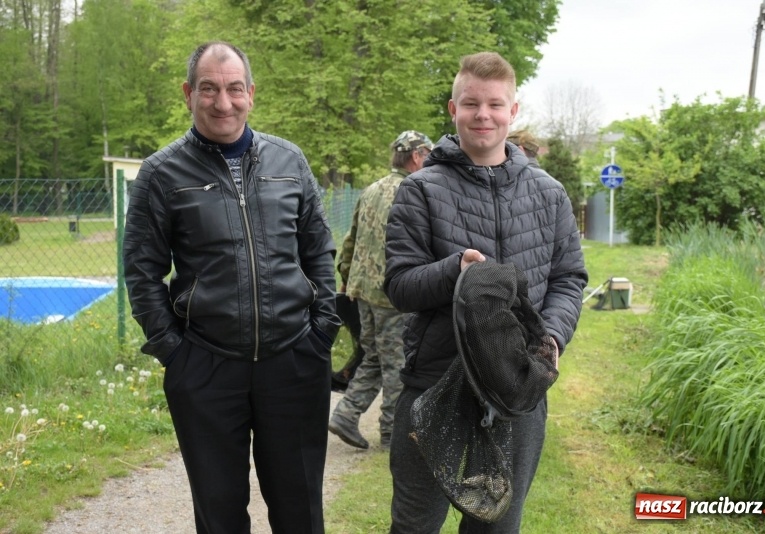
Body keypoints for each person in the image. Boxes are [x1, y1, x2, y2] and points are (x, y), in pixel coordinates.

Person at [123, 41, 340, 534]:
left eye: (234, 89)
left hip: (294, 363)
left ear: (251, 93)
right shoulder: (162, 173)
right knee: (219, 515)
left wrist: (322, 331)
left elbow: (318, 253)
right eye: (209, 89)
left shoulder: (290, 161)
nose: (224, 103)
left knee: (300, 511)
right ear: (188, 93)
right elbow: (142, 271)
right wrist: (174, 352)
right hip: (205, 367)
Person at [383, 51, 588, 532]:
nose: (483, 114)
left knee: (496, 525)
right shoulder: (419, 190)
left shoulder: (548, 193)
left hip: (517, 388)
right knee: (415, 523)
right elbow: (400, 286)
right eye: (471, 103)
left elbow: (568, 279)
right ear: (453, 110)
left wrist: (552, 339)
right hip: (434, 383)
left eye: (495, 104)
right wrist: (456, 269)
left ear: (512, 111)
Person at [328, 130, 434, 450]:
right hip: (392, 294)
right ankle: (392, 433)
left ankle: (346, 414)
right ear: (416, 156)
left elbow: (351, 238)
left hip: (363, 290)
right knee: (397, 364)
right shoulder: (415, 190)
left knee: (374, 355)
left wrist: (347, 277)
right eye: (427, 154)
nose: (430, 160)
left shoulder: (371, 189)